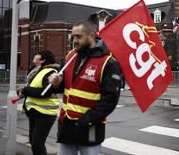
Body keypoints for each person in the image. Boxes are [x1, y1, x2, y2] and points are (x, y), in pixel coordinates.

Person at [49, 20, 123, 155]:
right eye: (73, 37)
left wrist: (87, 120)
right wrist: (56, 84)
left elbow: (111, 99)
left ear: (92, 36)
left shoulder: (108, 62)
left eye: (78, 36)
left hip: (90, 127)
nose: (74, 40)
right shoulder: (71, 55)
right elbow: (64, 87)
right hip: (66, 126)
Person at [18, 50, 60, 155]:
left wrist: (26, 90)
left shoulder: (50, 72)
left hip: (45, 113)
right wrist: (24, 91)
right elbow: (35, 87)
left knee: (37, 143)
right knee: (33, 142)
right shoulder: (40, 71)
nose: (35, 55)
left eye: (38, 55)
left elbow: (45, 93)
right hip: (35, 112)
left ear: (43, 60)